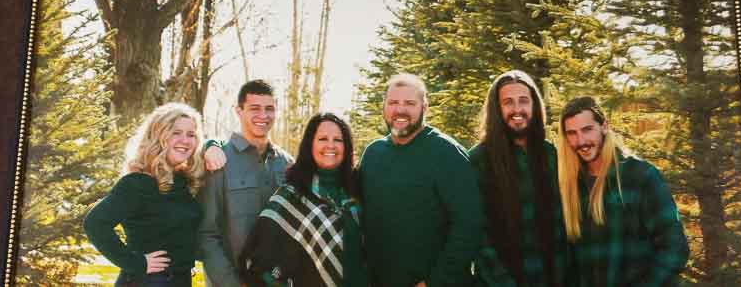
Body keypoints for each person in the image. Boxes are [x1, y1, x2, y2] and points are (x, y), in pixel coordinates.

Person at [357, 72, 484, 287]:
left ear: (425, 107)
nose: (400, 110)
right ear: (384, 107)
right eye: (393, 102)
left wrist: (436, 281)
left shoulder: (447, 153)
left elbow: (469, 225)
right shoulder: (373, 154)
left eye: (409, 103)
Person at [555, 97, 688, 287]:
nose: (581, 141)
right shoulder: (570, 186)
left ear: (604, 126)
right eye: (572, 133)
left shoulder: (641, 176)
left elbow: (675, 248)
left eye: (587, 130)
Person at [85, 102, 209, 287]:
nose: (185, 140)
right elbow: (95, 224)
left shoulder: (182, 182)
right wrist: (135, 263)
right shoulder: (138, 183)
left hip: (181, 280)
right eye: (176, 132)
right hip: (150, 281)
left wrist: (213, 145)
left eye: (191, 135)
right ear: (158, 135)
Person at [239, 111, 368, 287]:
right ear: (310, 145)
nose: (331, 145)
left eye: (338, 140)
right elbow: (260, 263)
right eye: (322, 139)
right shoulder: (290, 195)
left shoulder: (357, 190)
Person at [468, 70, 568, 287]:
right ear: (497, 109)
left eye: (523, 101)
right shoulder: (478, 160)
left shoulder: (552, 155)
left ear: (534, 105)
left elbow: (565, 226)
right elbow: (476, 234)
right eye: (508, 102)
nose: (517, 109)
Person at [200, 78, 294, 287]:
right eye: (254, 108)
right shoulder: (218, 161)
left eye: (269, 109)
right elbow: (207, 234)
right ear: (239, 111)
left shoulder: (286, 163)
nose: (263, 115)